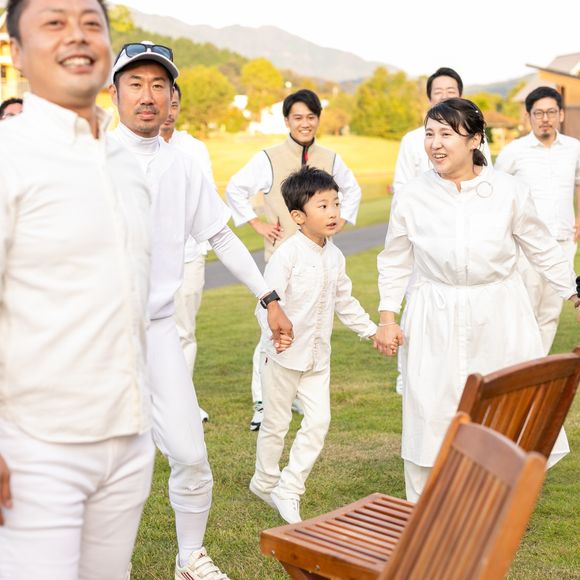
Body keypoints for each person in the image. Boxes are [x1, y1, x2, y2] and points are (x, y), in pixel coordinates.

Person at [109, 41, 293, 580]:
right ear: (114, 93)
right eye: (135, 84)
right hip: (95, 338)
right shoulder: (89, 158)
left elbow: (221, 236)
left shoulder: (184, 165)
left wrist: (269, 297)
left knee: (190, 453)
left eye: (158, 85)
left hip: (158, 331)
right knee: (97, 467)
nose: (147, 96)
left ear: (172, 97)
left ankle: (189, 558)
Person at [0, 1, 155, 579]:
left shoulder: (123, 162)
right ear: (18, 52)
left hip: (129, 438)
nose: (78, 36)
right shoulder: (9, 156)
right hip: (37, 448)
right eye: (54, 22)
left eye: (91, 23)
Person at [374, 98, 579, 503]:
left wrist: (573, 292)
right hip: (433, 311)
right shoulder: (412, 195)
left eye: (446, 134)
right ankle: (425, 506)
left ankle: (492, 504)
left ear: (474, 139)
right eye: (429, 134)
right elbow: (395, 260)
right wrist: (387, 317)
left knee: (505, 405)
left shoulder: (509, 191)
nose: (435, 143)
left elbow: (542, 249)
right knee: (429, 407)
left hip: (500, 311)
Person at [226, 89, 362, 430]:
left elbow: (353, 190)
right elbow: (235, 188)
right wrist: (256, 223)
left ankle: (296, 395)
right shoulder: (269, 157)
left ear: (318, 119)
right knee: (270, 327)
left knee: (307, 326)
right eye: (298, 117)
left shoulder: (330, 157)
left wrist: (341, 220)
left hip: (317, 257)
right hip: (281, 256)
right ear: (287, 120)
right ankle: (263, 400)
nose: (305, 123)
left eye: (311, 117)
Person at [250, 166, 377, 524]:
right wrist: (276, 334)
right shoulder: (287, 255)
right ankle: (264, 482)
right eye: (323, 206)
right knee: (275, 424)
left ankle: (289, 488)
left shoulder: (335, 256)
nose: (333, 212)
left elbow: (345, 302)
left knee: (319, 422)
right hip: (282, 358)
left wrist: (371, 331)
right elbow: (265, 304)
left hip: (318, 360)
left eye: (336, 203)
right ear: (298, 216)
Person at [391, 67, 492, 395]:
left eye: (451, 91)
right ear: (429, 97)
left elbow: (485, 178)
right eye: (439, 91)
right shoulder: (412, 141)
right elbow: (401, 184)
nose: (445, 95)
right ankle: (409, 372)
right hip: (423, 234)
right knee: (420, 311)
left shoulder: (476, 138)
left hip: (464, 236)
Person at [495, 86, 580, 354]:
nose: (545, 118)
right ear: (528, 116)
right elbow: (497, 192)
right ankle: (520, 366)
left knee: (551, 312)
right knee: (526, 310)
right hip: (526, 247)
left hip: (563, 242)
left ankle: (537, 366)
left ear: (561, 114)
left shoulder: (574, 148)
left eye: (551, 112)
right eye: (539, 113)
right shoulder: (513, 151)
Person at [161, 82, 213, 423]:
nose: (168, 113)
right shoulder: (125, 148)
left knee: (184, 331)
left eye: (175, 105)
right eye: (164, 104)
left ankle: (182, 403)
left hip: (189, 256)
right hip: (144, 259)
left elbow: (207, 200)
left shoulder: (194, 149)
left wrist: (201, 246)